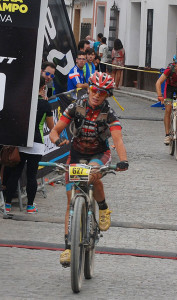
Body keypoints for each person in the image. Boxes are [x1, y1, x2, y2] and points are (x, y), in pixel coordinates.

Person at [49, 71, 129, 266]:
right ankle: (68, 248)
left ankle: (103, 208)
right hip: (76, 154)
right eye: (94, 90)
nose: (96, 95)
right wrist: (58, 140)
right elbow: (55, 130)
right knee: (70, 203)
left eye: (102, 93)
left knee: (93, 174)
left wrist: (123, 160)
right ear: (89, 88)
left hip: (99, 154)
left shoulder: (109, 114)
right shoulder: (76, 106)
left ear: (107, 95)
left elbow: (117, 139)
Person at [5, 76, 54, 213]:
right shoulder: (45, 105)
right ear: (43, 87)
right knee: (32, 175)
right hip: (37, 143)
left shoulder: (23, 100)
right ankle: (30, 206)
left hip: (21, 140)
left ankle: (7, 205)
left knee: (15, 173)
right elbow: (51, 127)